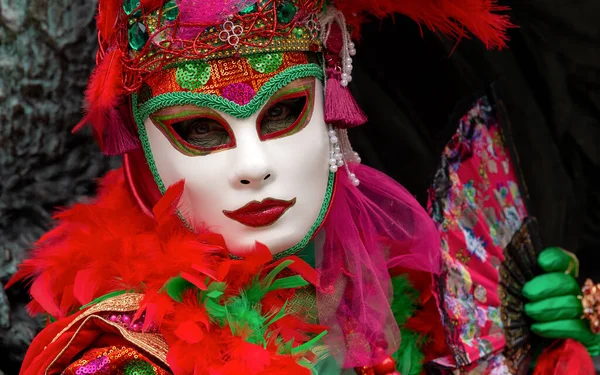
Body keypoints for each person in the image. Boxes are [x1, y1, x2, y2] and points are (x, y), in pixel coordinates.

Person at [6, 0, 600, 374]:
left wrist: (561, 359)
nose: (254, 165)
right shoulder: (124, 363)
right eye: (199, 129)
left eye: (285, 111)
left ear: (333, 109)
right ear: (141, 141)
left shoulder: (412, 307)